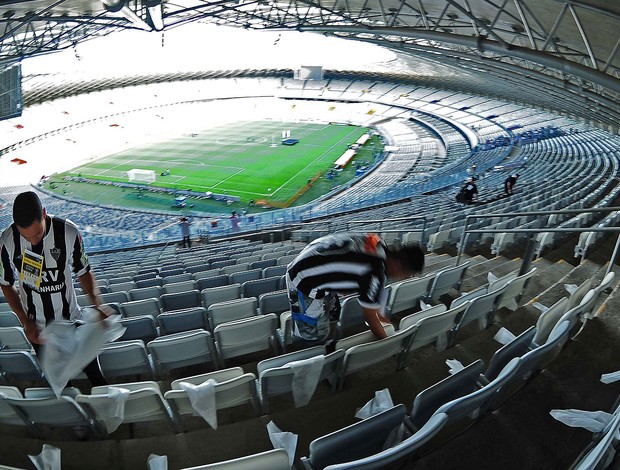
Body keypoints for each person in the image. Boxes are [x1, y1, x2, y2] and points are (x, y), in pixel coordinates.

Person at [0, 191, 109, 386]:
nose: (33, 241)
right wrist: (25, 322)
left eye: (37, 234)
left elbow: (83, 271)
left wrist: (97, 304)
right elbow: (6, 284)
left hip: (72, 320)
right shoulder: (7, 242)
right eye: (26, 237)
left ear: (44, 213)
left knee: (96, 375)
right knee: (60, 382)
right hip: (38, 329)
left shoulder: (67, 232)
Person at [286, 232, 425, 345]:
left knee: (334, 312)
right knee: (310, 333)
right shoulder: (375, 272)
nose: (402, 278)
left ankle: (327, 345)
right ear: (399, 264)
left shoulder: (378, 243)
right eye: (405, 274)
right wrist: (388, 342)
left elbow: (375, 291)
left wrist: (381, 316)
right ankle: (311, 352)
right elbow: (369, 316)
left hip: (314, 263)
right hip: (303, 279)